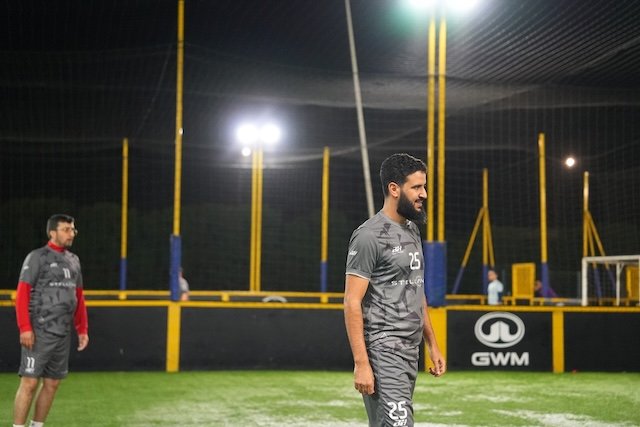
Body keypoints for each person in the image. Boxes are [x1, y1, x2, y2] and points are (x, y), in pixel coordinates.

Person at [344, 153, 446, 427]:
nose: (424, 194)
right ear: (394, 188)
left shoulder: (412, 230)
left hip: (410, 351)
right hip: (384, 350)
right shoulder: (368, 235)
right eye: (416, 187)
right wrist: (361, 363)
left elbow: (416, 291)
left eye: (424, 186)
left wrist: (432, 344)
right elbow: (352, 302)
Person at [13, 214, 89, 427]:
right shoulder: (37, 257)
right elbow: (22, 293)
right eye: (66, 229)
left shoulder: (74, 260)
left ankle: (37, 426)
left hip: (62, 333)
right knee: (29, 383)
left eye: (73, 230)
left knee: (53, 383)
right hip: (38, 332)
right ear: (52, 232)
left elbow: (78, 296)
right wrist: (25, 327)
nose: (71, 234)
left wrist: (82, 328)